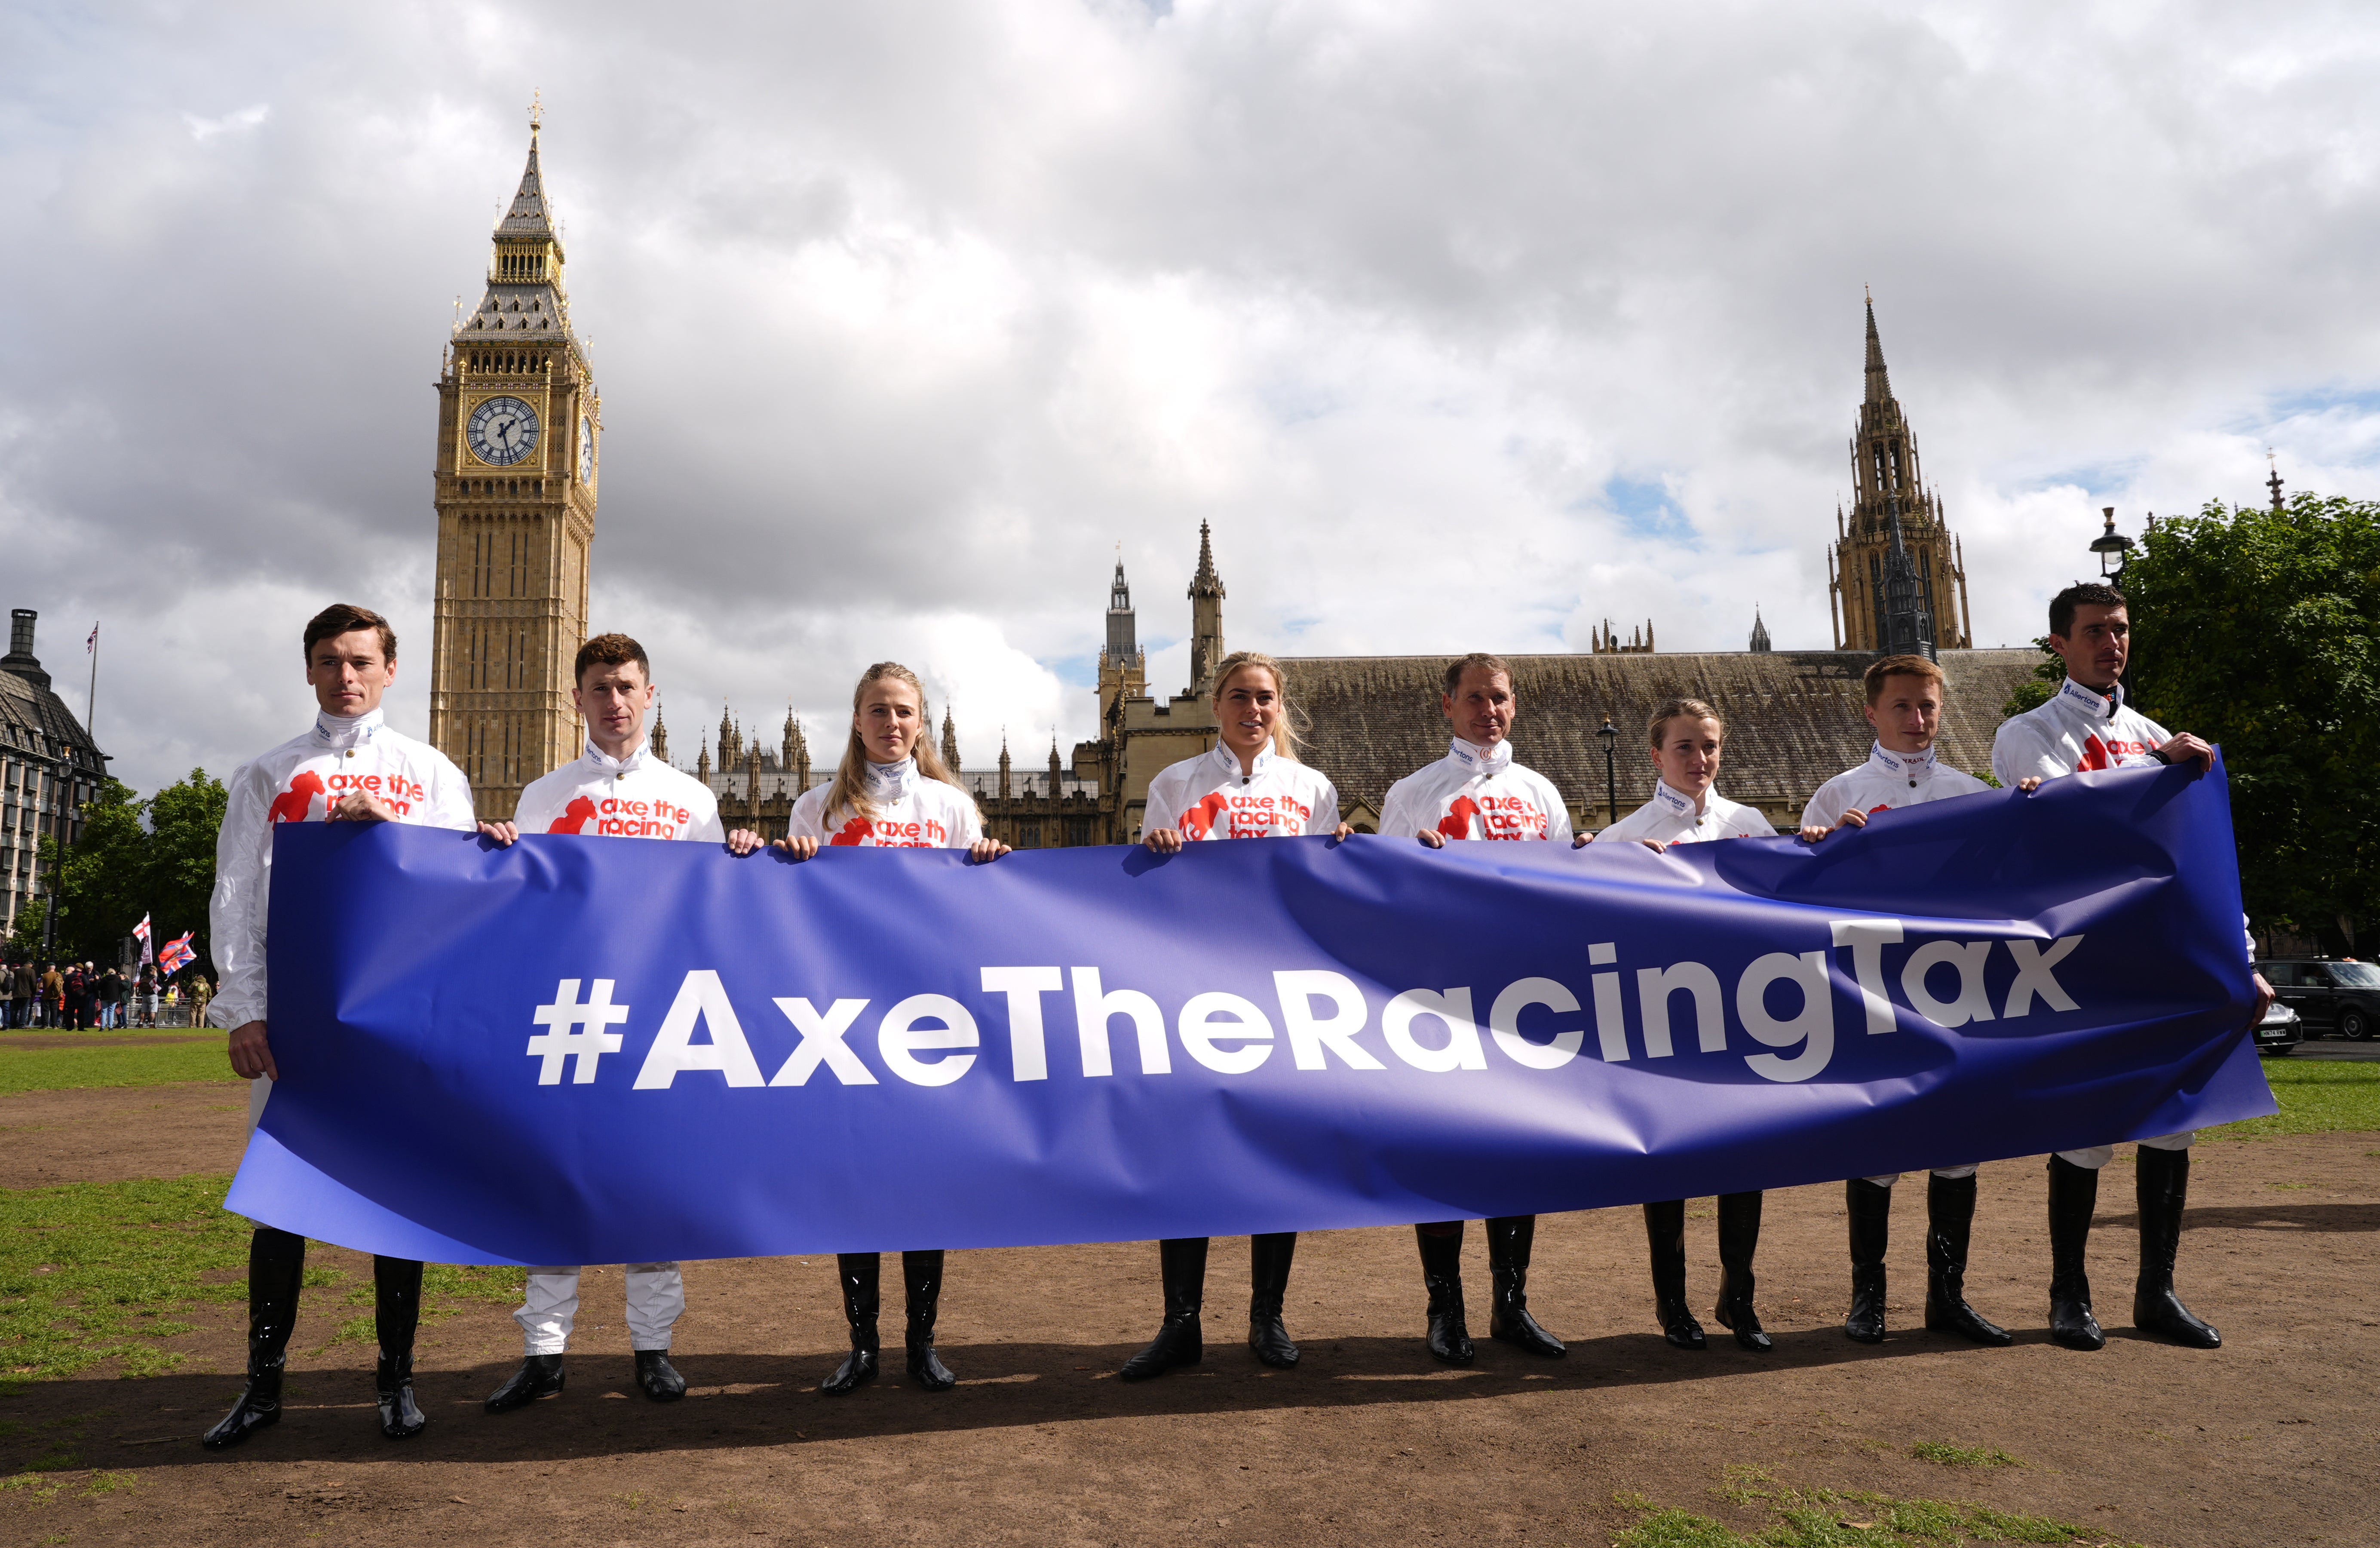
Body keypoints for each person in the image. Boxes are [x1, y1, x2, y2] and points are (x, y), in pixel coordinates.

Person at [202, 602, 483, 1449]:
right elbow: (237, 901)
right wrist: (245, 1008)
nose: (346, 675)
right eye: (329, 661)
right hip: (298, 1024)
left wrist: (390, 838)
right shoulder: (271, 775)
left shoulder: (433, 777)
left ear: (390, 669)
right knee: (280, 1207)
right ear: (310, 671)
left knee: (395, 1203)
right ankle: (262, 1387)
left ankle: (395, 1385)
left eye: (361, 661)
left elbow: (460, 897)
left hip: (396, 1024)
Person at [477, 633, 758, 1413]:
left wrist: (738, 851)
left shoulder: (692, 799)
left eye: (627, 687)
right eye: (600, 688)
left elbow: (713, 910)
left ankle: (653, 1349)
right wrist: (493, 853)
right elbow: (517, 907)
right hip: (568, 1014)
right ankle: (544, 1352)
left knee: (649, 1187)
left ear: (649, 694)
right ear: (578, 699)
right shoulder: (544, 796)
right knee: (554, 1183)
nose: (615, 701)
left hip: (657, 1017)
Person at [1992, 581, 2274, 1352]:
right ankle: (2068, 1295)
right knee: (2086, 1132)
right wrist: (2157, 765)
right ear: (2059, 644)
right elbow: (2063, 820)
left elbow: (2205, 865)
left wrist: (2243, 959)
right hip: (2086, 960)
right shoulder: (2029, 733)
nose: (2110, 644)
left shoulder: (2160, 734)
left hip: (2171, 958)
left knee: (2174, 1129)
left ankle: (2158, 1292)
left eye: (2119, 631)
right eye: (2092, 633)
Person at [768, 661, 1010, 1396]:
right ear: (857, 720)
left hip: (931, 1018)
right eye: (878, 710)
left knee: (924, 1186)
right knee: (858, 1187)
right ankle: (863, 1346)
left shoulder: (951, 809)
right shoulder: (817, 809)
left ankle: (921, 1345)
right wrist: (787, 865)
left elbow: (978, 916)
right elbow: (786, 920)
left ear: (921, 724)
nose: (891, 723)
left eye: (904, 711)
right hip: (843, 1019)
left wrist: (993, 865)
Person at [1123, 651, 1353, 1382]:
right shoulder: (1173, 784)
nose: (1253, 711)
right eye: (1239, 698)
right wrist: (1151, 855)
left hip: (1281, 992)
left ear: (1278, 708)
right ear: (1214, 705)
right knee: (1187, 1154)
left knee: (1274, 1155)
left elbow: (1320, 895)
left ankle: (1268, 1317)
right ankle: (1180, 1324)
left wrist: (1342, 858)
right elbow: (1146, 902)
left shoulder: (1311, 788)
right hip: (1194, 991)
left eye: (1265, 699)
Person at [1800, 654, 2025, 1348]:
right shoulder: (1838, 795)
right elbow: (1797, 901)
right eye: (1903, 707)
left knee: (1958, 1150)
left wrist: (2034, 810)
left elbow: (2006, 887)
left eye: (1928, 706)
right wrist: (1821, 848)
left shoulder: (1971, 792)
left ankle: (1947, 1297)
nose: (1919, 720)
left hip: (1956, 995)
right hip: (1871, 996)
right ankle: (1868, 1297)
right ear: (1871, 712)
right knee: (1877, 1149)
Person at [1376, 653, 1573, 1365]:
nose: (1489, 711)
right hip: (1441, 997)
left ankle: (1511, 1306)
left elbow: (1563, 898)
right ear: (1448, 706)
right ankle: (1445, 1309)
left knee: (1517, 1153)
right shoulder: (1414, 792)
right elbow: (1382, 897)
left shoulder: (1542, 793)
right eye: (1476, 699)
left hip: (1524, 998)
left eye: (1500, 699)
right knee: (1447, 1152)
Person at [1582, 698, 1775, 1352]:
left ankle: (1739, 1300)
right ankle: (1673, 1306)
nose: (1700, 760)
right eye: (1686, 747)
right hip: (1664, 1024)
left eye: (1710, 746)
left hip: (1745, 1020)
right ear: (1656, 755)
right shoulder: (1622, 838)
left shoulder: (1750, 825)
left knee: (1745, 1163)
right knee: (1667, 1169)